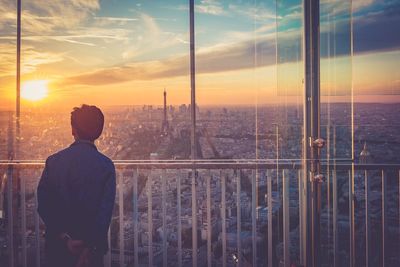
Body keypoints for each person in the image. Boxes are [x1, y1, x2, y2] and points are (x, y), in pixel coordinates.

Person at [37, 104, 116, 267]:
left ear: (73, 130)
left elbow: (44, 206)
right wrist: (89, 247)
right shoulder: (106, 166)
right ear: (99, 132)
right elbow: (104, 214)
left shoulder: (54, 162)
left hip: (58, 248)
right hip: (91, 253)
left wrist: (65, 238)